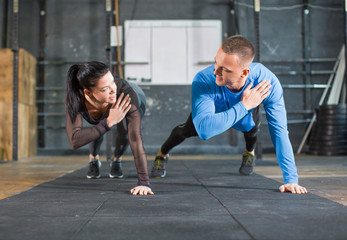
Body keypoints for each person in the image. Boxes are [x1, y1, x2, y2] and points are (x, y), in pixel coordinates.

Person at [151, 35, 307, 194]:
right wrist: (245, 105)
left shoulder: (267, 83)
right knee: (183, 131)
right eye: (216, 63)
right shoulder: (204, 79)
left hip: (244, 114)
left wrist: (291, 179)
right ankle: (162, 154)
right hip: (217, 112)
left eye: (225, 69)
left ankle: (248, 152)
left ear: (244, 73)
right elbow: (205, 130)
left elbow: (279, 131)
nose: (215, 71)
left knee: (251, 131)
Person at [65, 61, 153, 195]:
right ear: (88, 92)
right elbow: (74, 141)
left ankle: (116, 159)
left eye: (112, 82)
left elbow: (135, 138)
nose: (113, 89)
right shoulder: (75, 100)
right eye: (105, 88)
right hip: (104, 114)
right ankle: (93, 158)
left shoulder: (124, 95)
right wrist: (108, 122)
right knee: (99, 127)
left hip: (137, 95)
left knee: (124, 132)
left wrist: (144, 182)